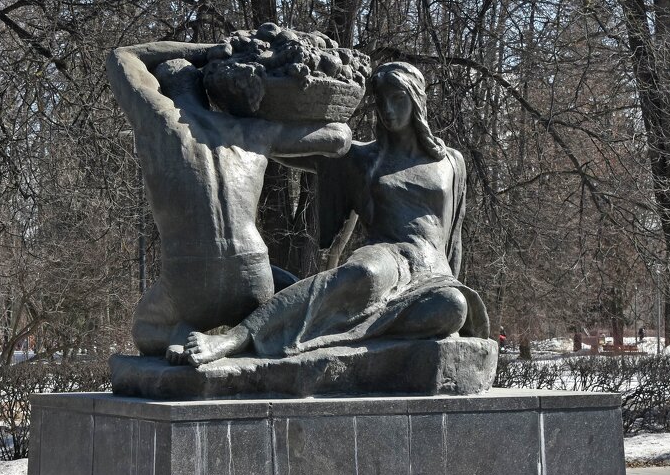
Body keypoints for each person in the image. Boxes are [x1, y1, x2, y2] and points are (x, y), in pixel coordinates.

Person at [183, 62, 489, 365]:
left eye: (397, 99)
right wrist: (239, 123)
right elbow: (289, 149)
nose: (387, 110)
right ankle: (238, 336)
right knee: (362, 274)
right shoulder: (362, 158)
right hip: (388, 257)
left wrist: (452, 281)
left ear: (417, 99)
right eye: (380, 100)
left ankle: (319, 311)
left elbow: (454, 240)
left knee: (454, 308)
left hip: (433, 275)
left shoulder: (452, 161)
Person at [105, 41, 351, 358]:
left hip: (190, 280)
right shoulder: (251, 131)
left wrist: (209, 49)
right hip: (252, 274)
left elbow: (122, 56)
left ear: (163, 91)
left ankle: (182, 335)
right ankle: (262, 327)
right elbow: (338, 138)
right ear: (204, 93)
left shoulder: (156, 121)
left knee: (145, 329)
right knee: (285, 285)